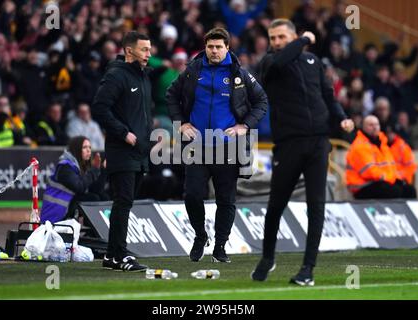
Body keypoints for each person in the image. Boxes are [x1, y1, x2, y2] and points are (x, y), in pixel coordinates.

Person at [251, 19, 354, 285]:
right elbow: (281, 60)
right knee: (276, 206)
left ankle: (308, 269)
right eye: (272, 38)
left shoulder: (313, 62)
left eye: (281, 37)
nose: (275, 42)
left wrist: (341, 117)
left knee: (316, 206)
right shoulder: (270, 63)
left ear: (291, 35)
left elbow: (328, 95)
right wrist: (304, 39)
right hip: (288, 144)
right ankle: (267, 257)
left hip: (318, 142)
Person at [166, 27, 268, 263]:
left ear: (227, 48)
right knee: (192, 195)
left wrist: (245, 126)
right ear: (206, 47)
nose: (213, 51)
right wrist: (180, 123)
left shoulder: (239, 74)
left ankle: (220, 246)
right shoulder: (193, 71)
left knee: (226, 199)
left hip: (227, 147)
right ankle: (200, 236)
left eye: (218, 47)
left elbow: (261, 101)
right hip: (197, 145)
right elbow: (171, 95)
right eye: (210, 47)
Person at [92, 31, 153, 272]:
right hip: (121, 150)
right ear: (129, 51)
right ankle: (118, 255)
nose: (149, 54)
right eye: (144, 49)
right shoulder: (116, 75)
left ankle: (111, 256)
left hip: (139, 152)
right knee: (123, 201)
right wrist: (124, 133)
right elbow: (99, 108)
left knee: (126, 202)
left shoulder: (143, 77)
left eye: (149, 49)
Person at [346, 116, 417, 199]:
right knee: (394, 190)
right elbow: (370, 172)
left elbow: (390, 166)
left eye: (377, 124)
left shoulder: (382, 143)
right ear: (363, 127)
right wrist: (390, 178)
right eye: (370, 125)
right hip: (362, 186)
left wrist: (395, 178)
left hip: (380, 181)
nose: (375, 127)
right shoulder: (360, 146)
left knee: (409, 190)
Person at [40, 136, 108, 223]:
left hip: (68, 205)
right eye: (84, 147)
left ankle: (98, 232)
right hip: (55, 212)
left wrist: (103, 169)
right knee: (93, 199)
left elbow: (96, 190)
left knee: (102, 197)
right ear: (76, 149)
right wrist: (94, 170)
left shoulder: (82, 166)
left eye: (90, 147)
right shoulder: (65, 166)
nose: (88, 150)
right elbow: (80, 187)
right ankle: (92, 233)